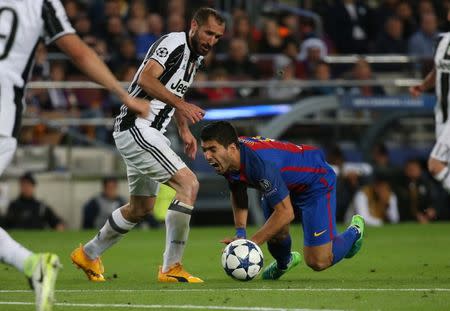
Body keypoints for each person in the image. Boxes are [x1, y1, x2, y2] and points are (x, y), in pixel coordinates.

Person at [0, 0, 172, 309]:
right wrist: (122, 95)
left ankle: (36, 265)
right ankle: (35, 265)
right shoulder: (42, 4)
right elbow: (77, 51)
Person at [71, 7, 225, 283]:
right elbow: (147, 79)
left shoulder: (195, 58)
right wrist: (181, 105)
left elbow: (175, 90)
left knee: (140, 208)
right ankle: (171, 267)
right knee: (188, 185)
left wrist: (183, 127)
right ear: (194, 25)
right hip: (137, 127)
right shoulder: (173, 44)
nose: (211, 41)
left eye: (217, 37)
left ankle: (88, 254)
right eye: (208, 33)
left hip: (147, 132)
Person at [200, 121, 365, 278]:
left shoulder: (260, 165)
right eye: (204, 150)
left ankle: (355, 232)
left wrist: (251, 244)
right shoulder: (229, 161)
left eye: (212, 149)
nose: (207, 156)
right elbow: (237, 190)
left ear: (232, 148)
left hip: (315, 182)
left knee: (318, 261)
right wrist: (240, 233)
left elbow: (286, 213)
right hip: (283, 182)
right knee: (276, 232)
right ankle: (284, 263)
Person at [409, 29, 450, 195]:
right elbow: (437, 70)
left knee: (435, 164)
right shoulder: (441, 40)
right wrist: (423, 86)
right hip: (442, 116)